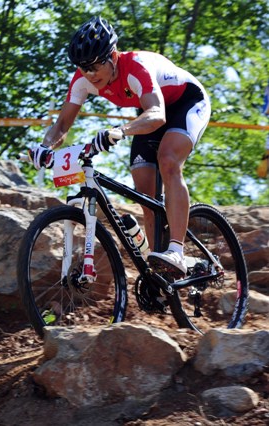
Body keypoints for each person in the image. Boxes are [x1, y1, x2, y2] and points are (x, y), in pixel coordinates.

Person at [30, 16, 211, 278]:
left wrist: (120, 131)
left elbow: (158, 114)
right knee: (146, 198)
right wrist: (43, 147)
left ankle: (177, 250)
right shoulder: (82, 79)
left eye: (94, 65)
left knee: (168, 160)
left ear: (112, 56)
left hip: (186, 103)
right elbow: (61, 126)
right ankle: (160, 273)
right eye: (82, 67)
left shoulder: (135, 66)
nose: (89, 74)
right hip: (148, 113)